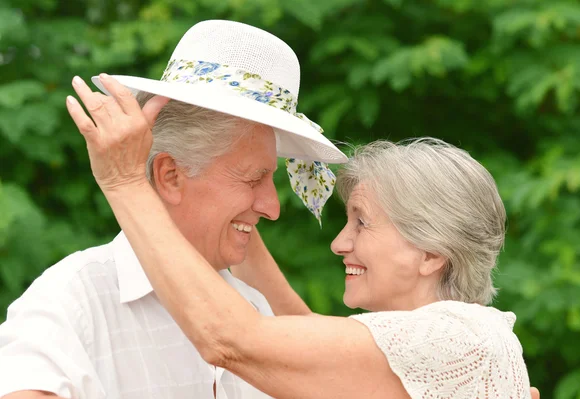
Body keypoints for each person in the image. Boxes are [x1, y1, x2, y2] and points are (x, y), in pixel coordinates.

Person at [66, 70, 540, 397]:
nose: (339, 242)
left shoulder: (458, 339)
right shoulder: (432, 348)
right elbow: (291, 320)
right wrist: (235, 202)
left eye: (362, 221)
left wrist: (124, 181)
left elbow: (233, 339)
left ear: (431, 253)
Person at [0, 20, 347, 399]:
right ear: (170, 176)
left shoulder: (256, 310)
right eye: (253, 179)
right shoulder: (73, 301)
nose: (273, 209)